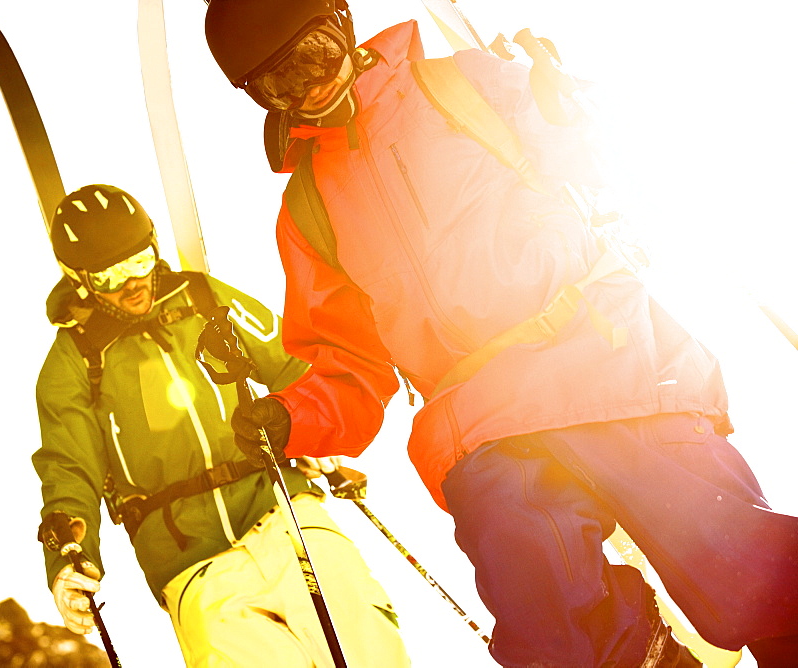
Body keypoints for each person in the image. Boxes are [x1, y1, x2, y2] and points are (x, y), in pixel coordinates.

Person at [203, 1, 798, 666]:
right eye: (276, 84)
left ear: (340, 24)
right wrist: (292, 418)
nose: (306, 87)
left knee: (743, 563)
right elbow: (347, 360)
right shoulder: (309, 207)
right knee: (551, 633)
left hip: (606, 361)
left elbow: (597, 155)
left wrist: (563, 103)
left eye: (313, 56)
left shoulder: (460, 85)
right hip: (483, 426)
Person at [32, 184, 410, 667]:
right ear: (81, 280)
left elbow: (293, 362)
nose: (131, 283)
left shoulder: (203, 300)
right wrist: (70, 554)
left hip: (283, 511)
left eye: (139, 261)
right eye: (109, 276)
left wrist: (314, 432)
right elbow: (69, 468)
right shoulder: (75, 361)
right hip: (191, 562)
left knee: (364, 636)